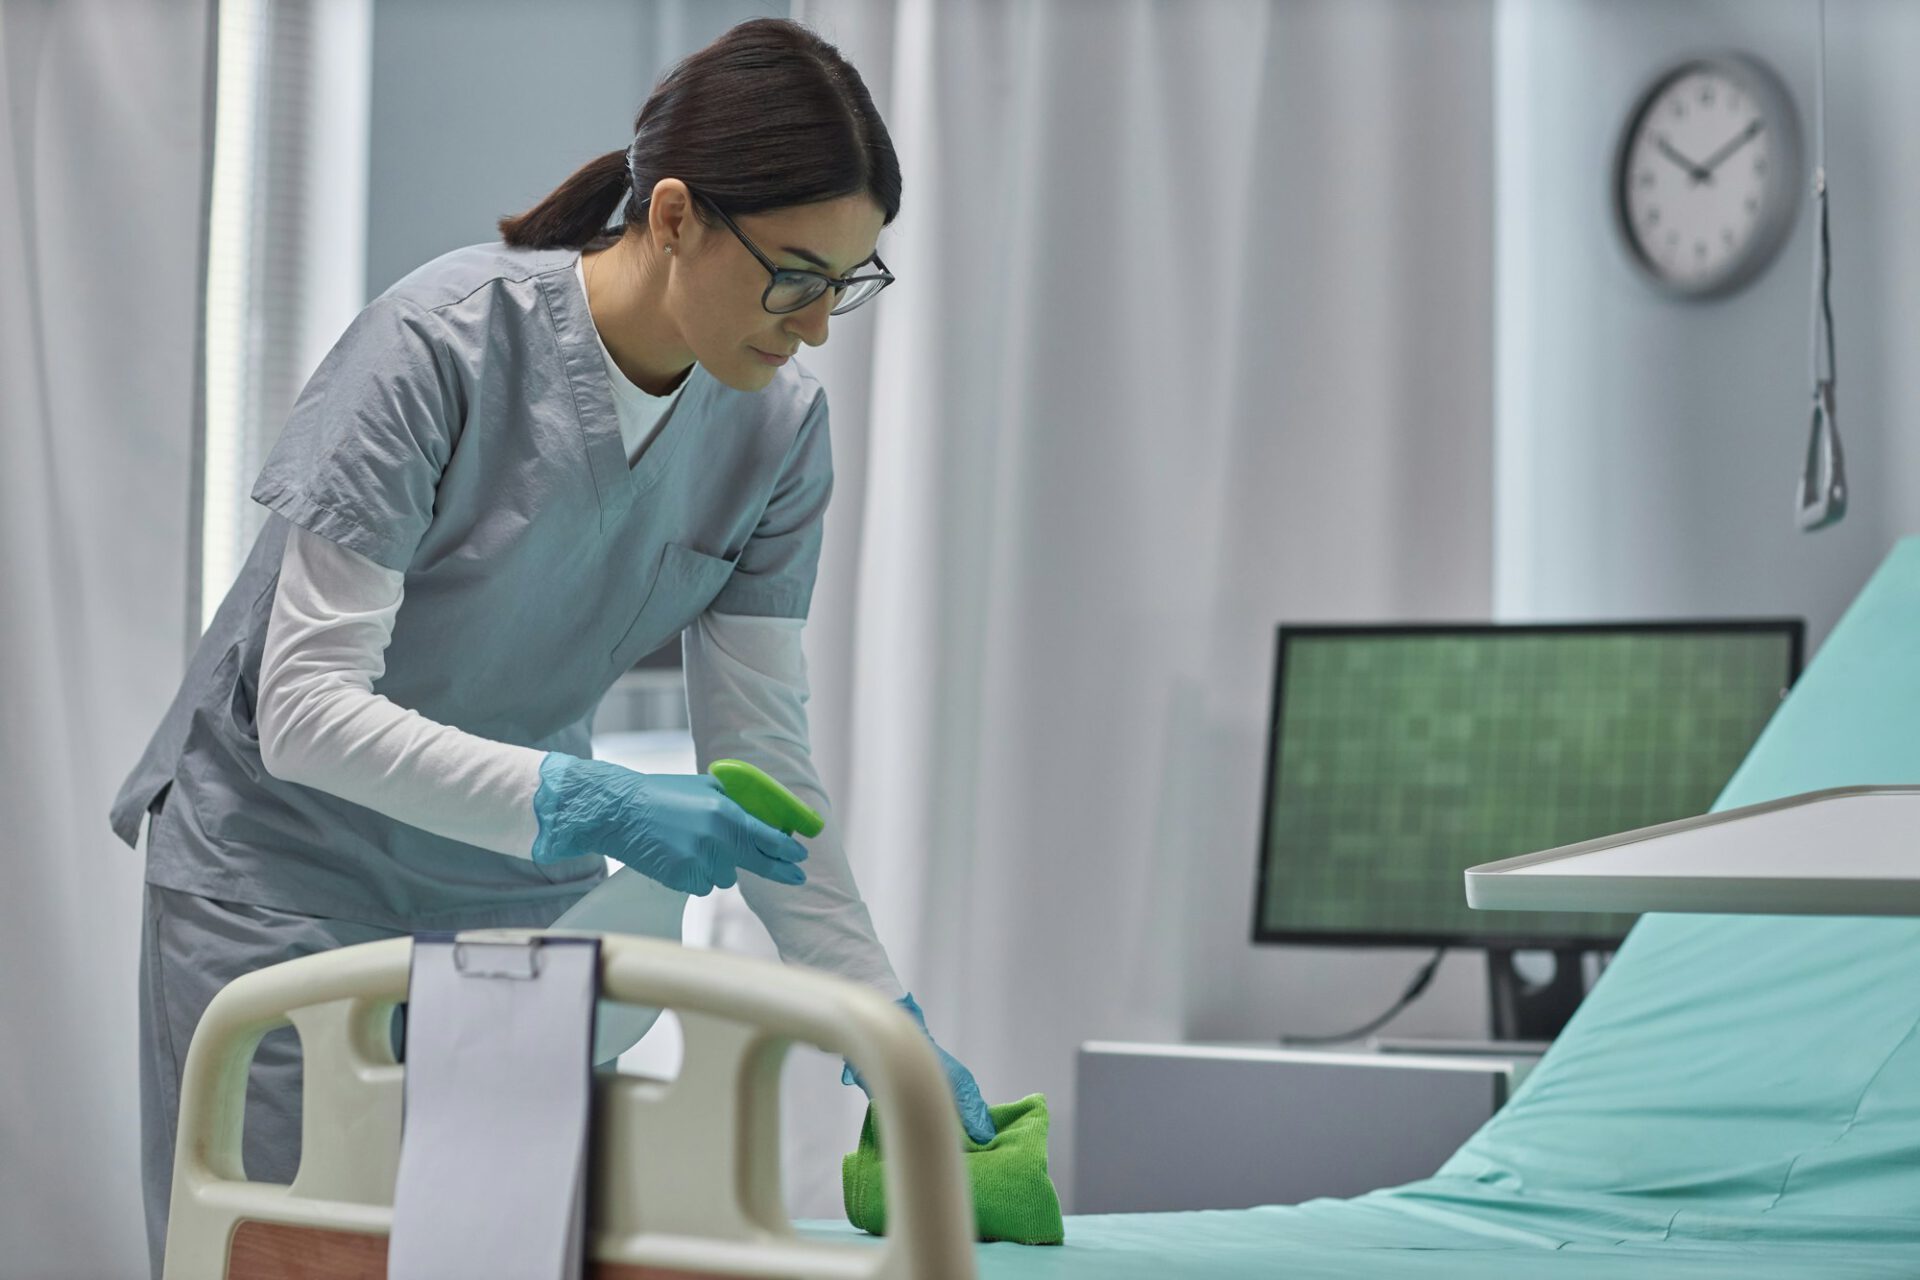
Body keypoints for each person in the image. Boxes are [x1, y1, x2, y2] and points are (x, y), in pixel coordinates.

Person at [110, 19, 990, 1276]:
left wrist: (873, 1012)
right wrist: (587, 797)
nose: (817, 328)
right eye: (797, 277)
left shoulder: (778, 434)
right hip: (286, 884)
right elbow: (302, 706)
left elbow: (764, 763)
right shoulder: (437, 345)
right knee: (296, 1256)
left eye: (848, 284)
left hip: (507, 904)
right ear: (676, 215)